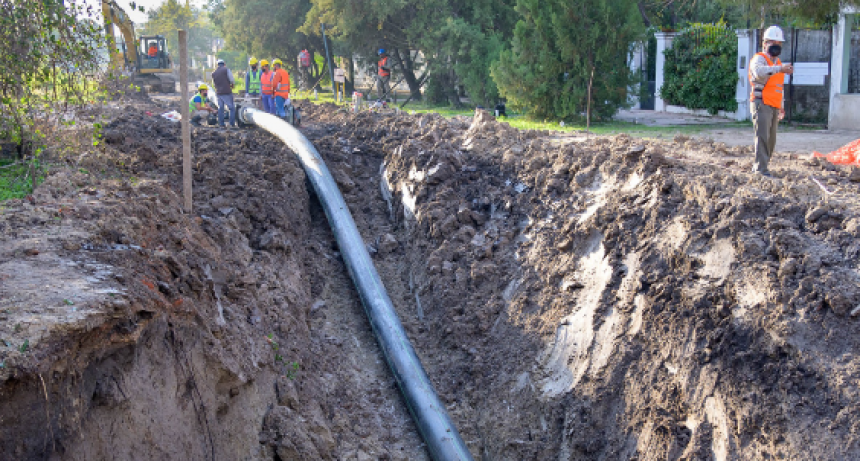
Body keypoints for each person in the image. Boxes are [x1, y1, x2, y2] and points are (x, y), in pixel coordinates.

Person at [749, 25, 794, 177]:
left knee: (771, 140)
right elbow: (758, 72)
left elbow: (779, 87)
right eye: (773, 42)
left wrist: (781, 105)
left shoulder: (778, 63)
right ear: (765, 43)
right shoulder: (760, 59)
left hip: (774, 105)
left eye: (779, 43)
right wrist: (779, 69)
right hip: (761, 103)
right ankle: (760, 170)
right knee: (762, 137)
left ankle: (763, 166)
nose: (776, 45)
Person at [211, 59, 237, 128]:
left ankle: (221, 124)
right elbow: (231, 79)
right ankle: (231, 124)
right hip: (226, 92)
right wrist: (232, 84)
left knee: (221, 108)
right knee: (231, 108)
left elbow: (214, 84)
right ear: (224, 64)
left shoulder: (214, 73)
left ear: (217, 65)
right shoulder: (226, 70)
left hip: (218, 93)